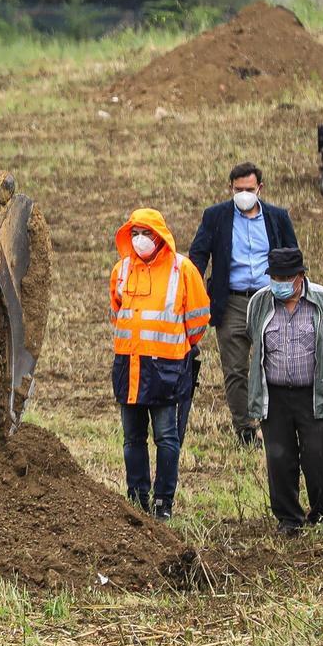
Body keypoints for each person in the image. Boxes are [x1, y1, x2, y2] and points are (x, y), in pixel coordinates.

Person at [186, 163, 302, 446]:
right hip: (232, 302)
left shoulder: (277, 217)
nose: (244, 194)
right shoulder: (215, 217)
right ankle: (246, 430)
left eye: (249, 190)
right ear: (230, 189)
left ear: (260, 189)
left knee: (276, 366)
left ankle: (274, 423)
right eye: (239, 190)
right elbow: (198, 255)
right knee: (236, 370)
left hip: (270, 300)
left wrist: (296, 295)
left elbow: (294, 256)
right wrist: (191, 288)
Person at [110, 207, 211, 518]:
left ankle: (163, 502)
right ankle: (137, 498)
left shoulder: (183, 270)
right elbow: (117, 313)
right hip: (130, 366)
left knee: (167, 438)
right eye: (135, 233)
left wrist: (173, 348)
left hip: (166, 369)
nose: (141, 240)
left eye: (147, 233)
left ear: (160, 236)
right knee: (132, 438)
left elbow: (198, 321)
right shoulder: (122, 270)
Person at [244, 246, 323, 535]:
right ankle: (288, 519)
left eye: (285, 277)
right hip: (275, 395)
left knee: (317, 456)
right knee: (279, 458)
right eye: (274, 277)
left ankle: (322, 514)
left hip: (314, 393)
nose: (278, 283)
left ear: (300, 276)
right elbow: (253, 335)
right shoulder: (260, 302)